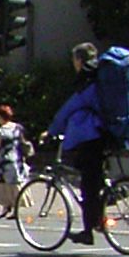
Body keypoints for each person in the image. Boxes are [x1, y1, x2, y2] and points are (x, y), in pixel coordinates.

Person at [47, 42, 110, 245]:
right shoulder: (103, 77)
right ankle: (103, 208)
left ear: (80, 61)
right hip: (109, 132)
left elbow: (69, 108)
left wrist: (50, 131)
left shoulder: (87, 81)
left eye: (74, 60)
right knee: (94, 177)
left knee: (88, 186)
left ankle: (88, 231)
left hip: (92, 138)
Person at [0, 103, 30, 218]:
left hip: (4, 162)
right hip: (18, 160)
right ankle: (8, 207)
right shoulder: (18, 128)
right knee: (13, 186)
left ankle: (10, 207)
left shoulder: (1, 131)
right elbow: (23, 143)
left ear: (1, 117)